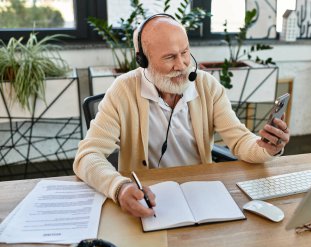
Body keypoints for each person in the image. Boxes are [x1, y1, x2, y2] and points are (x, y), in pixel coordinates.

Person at [73, 14, 290, 218]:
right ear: (143, 61)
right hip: (147, 197)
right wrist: (119, 187)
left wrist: (267, 147)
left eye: (185, 52)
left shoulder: (207, 86)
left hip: (201, 196)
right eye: (169, 57)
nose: (182, 65)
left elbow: (240, 141)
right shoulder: (123, 90)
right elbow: (87, 155)